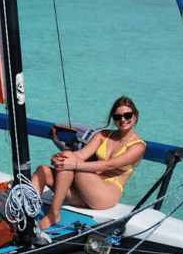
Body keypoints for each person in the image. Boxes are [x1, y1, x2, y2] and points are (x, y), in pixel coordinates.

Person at [32, 96, 147, 230]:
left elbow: (110, 165)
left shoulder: (138, 146)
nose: (123, 119)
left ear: (135, 116)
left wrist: (73, 164)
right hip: (85, 192)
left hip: (106, 195)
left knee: (74, 164)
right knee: (43, 171)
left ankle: (54, 213)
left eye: (127, 115)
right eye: (118, 117)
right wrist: (60, 157)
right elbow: (80, 155)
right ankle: (26, 215)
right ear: (113, 119)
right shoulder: (104, 135)